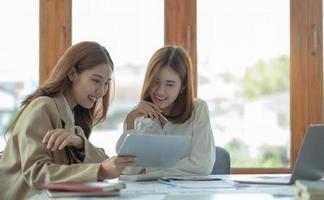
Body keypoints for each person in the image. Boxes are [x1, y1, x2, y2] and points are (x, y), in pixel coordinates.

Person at [0, 41, 134, 199]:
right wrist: (100, 170)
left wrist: (80, 143)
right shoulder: (43, 107)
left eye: (106, 83)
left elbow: (106, 163)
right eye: (96, 80)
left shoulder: (74, 114)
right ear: (72, 74)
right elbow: (36, 174)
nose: (102, 91)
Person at [116, 46, 215, 176]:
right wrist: (130, 122)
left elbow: (203, 165)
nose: (160, 91)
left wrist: (150, 171)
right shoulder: (138, 114)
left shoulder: (198, 109)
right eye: (155, 82)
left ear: (183, 86)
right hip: (150, 194)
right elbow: (127, 170)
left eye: (169, 84)